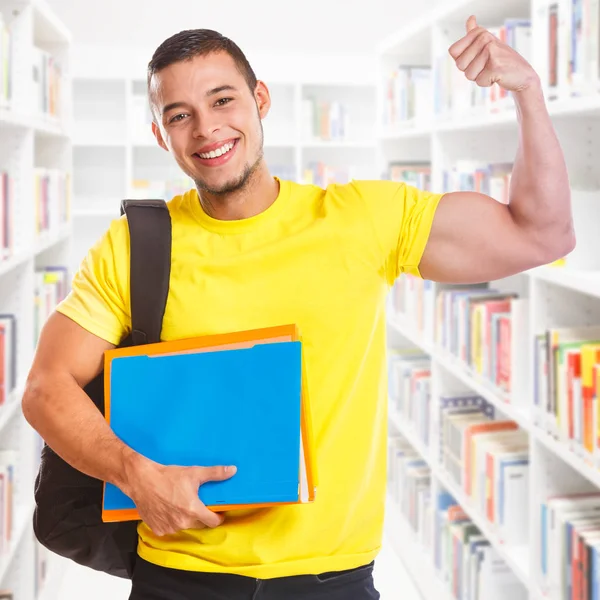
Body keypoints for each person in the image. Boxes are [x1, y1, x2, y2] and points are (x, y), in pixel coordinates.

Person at [22, 14, 573, 600]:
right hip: (179, 578)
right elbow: (46, 387)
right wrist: (135, 475)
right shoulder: (136, 245)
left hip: (332, 579)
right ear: (162, 134)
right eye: (179, 115)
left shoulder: (363, 218)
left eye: (223, 100)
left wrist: (528, 94)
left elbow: (542, 235)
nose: (207, 129)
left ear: (259, 100)